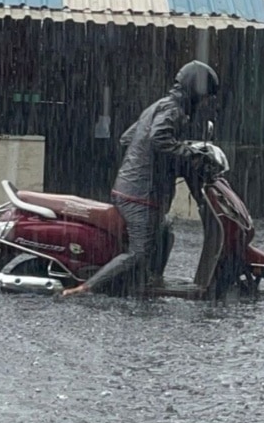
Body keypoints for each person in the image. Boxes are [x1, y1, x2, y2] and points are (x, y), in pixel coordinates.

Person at [61, 61, 220, 298]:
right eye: (205, 96)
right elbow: (158, 140)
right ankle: (85, 288)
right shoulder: (173, 110)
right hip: (139, 195)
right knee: (140, 251)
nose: (205, 102)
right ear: (195, 90)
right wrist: (190, 153)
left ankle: (148, 281)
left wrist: (160, 163)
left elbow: (128, 139)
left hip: (134, 188)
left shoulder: (159, 106)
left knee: (166, 232)